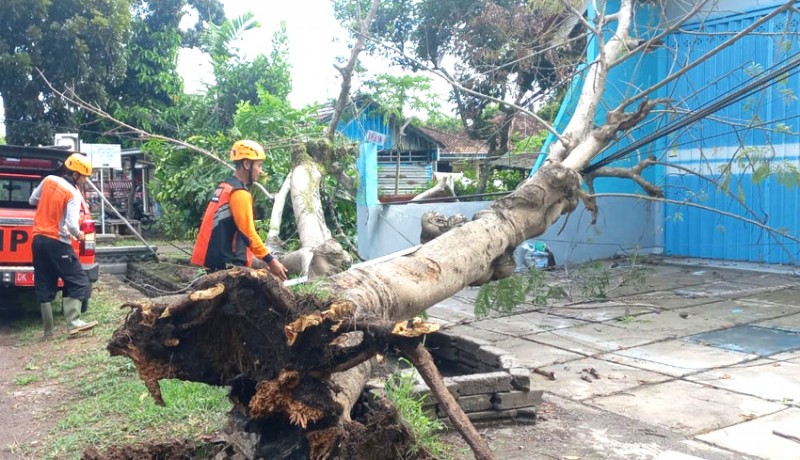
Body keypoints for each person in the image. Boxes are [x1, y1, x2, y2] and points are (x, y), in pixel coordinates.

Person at [191, 140, 288, 280]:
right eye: (259, 165)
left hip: (214, 259)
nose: (261, 171)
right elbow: (249, 234)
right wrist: (271, 261)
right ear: (247, 164)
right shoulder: (239, 194)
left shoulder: (225, 187)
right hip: (227, 263)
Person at [29, 153, 97, 337]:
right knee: (78, 280)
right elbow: (72, 225)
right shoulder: (73, 193)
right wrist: (79, 235)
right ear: (75, 174)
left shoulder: (49, 180)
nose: (84, 181)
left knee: (44, 281)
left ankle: (48, 331)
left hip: (38, 239)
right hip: (58, 241)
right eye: (84, 177)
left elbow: (32, 200)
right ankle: (74, 322)